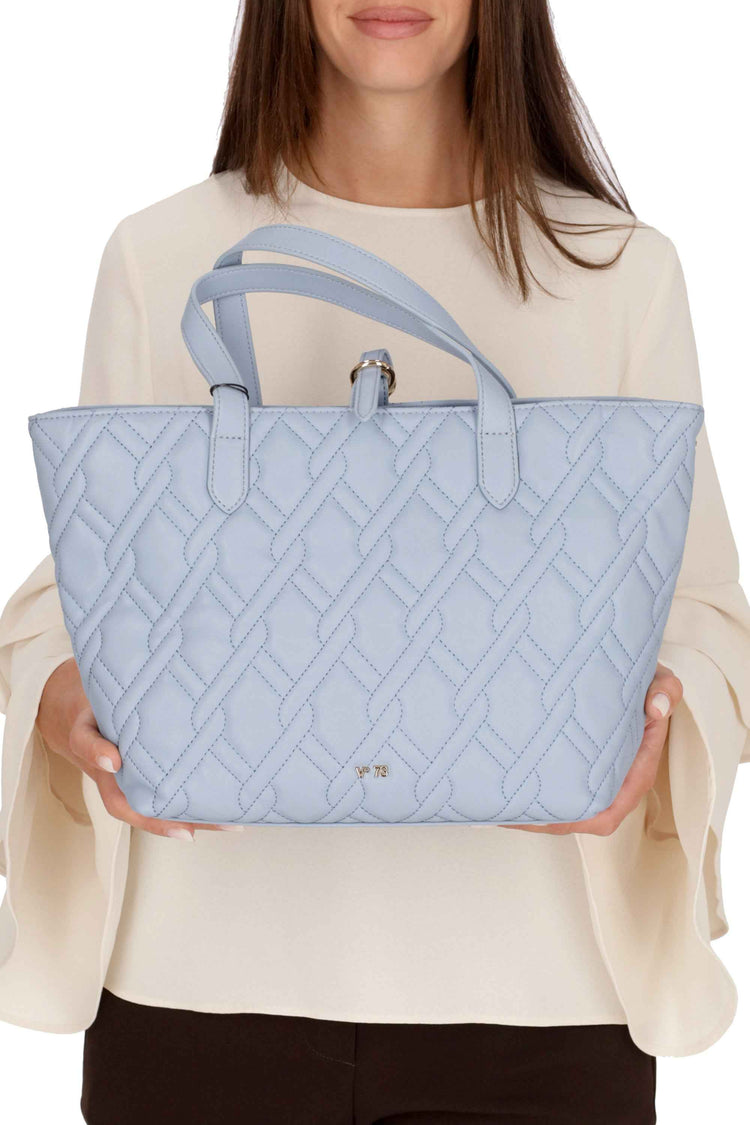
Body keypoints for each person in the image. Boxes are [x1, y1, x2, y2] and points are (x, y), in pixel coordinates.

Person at [1, 2, 748, 1122]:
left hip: (540, 1002)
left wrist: (657, 724)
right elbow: (92, 582)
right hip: (197, 985)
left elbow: (702, 608)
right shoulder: (162, 255)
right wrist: (66, 700)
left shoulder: (616, 269)